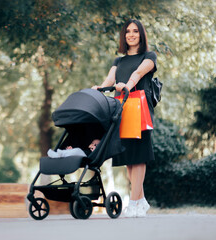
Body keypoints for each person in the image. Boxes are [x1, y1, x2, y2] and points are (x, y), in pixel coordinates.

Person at [92, 19, 157, 218]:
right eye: (128, 31)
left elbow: (138, 73)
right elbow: (109, 79)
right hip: (120, 108)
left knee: (139, 155)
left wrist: (127, 84)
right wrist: (99, 89)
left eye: (135, 31)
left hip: (139, 106)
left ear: (141, 34)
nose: (131, 34)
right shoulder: (118, 61)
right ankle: (141, 201)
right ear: (124, 36)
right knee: (128, 157)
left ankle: (134, 201)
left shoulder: (149, 56)